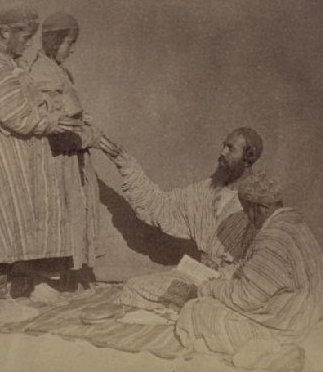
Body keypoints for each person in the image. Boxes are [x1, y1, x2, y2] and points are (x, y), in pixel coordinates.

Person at [0, 3, 94, 322]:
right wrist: (51, 122)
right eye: (25, 36)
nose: (29, 44)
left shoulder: (10, 64)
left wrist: (50, 115)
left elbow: (33, 104)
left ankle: (20, 290)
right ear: (5, 32)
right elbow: (16, 112)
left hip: (19, 155)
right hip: (3, 157)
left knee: (18, 222)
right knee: (0, 223)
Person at [99, 127, 263, 310]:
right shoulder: (206, 190)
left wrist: (221, 278)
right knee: (133, 288)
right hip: (199, 277)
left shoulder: (259, 199)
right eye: (223, 146)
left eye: (230, 148)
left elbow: (260, 257)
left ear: (248, 158)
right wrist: (125, 163)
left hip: (235, 283)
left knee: (216, 308)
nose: (222, 152)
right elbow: (160, 206)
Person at [175, 170, 323, 371]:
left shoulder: (272, 237)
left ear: (261, 207)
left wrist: (209, 288)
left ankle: (272, 350)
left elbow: (246, 298)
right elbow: (253, 269)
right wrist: (223, 277)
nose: (246, 217)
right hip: (304, 316)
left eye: (247, 210)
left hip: (286, 325)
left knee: (197, 309)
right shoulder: (296, 226)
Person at [29, 11, 102, 291]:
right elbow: (50, 122)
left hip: (73, 155)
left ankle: (74, 272)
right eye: (69, 43)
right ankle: (44, 278)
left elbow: (74, 113)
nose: (73, 49)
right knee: (60, 212)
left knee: (77, 212)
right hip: (57, 155)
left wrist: (86, 128)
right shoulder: (41, 73)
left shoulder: (60, 71)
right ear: (54, 40)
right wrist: (85, 136)